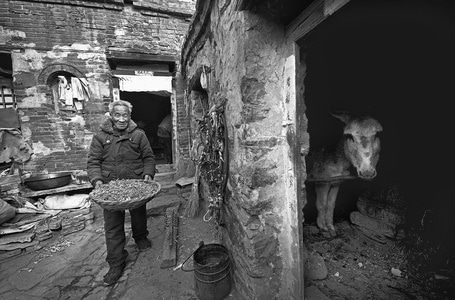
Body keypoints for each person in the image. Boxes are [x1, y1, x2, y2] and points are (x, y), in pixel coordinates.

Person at [87, 100, 156, 286]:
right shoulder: (101, 137)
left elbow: (149, 158)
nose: (122, 119)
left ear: (129, 116)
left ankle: (140, 236)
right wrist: (98, 181)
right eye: (117, 115)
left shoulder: (138, 135)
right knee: (112, 225)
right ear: (111, 115)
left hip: (135, 183)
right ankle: (116, 263)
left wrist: (148, 174)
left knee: (139, 214)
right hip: (111, 187)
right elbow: (93, 162)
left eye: (125, 115)